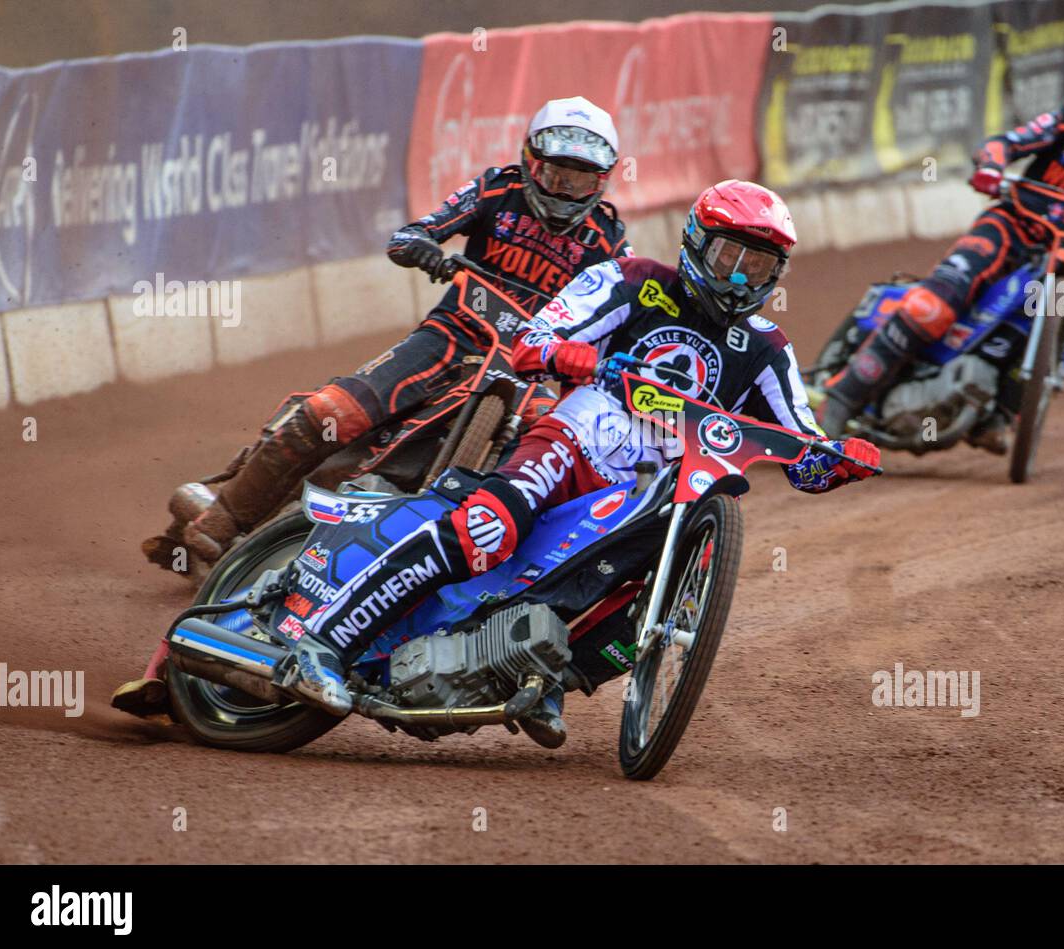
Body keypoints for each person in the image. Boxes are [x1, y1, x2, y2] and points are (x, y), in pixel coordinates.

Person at [272, 180, 882, 748]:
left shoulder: (768, 350)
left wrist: (842, 458)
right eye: (731, 257)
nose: (742, 277)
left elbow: (803, 449)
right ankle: (323, 644)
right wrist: (582, 361)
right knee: (488, 527)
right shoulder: (632, 279)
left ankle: (541, 682)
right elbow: (532, 342)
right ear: (697, 243)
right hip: (574, 440)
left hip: (646, 492)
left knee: (649, 600)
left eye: (760, 266)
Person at [115, 96, 629, 719]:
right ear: (530, 162)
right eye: (556, 173)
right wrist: (428, 250)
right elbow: (412, 234)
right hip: (450, 337)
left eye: (582, 177)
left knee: (510, 476)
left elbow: (612, 316)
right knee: (335, 412)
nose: (567, 189)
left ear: (602, 180)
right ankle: (220, 524)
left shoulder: (607, 237)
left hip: (520, 369)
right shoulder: (496, 191)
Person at [819, 61, 1064, 445]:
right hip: (1010, 227)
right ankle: (841, 397)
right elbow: (1005, 143)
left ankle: (999, 415)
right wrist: (991, 165)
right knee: (935, 303)